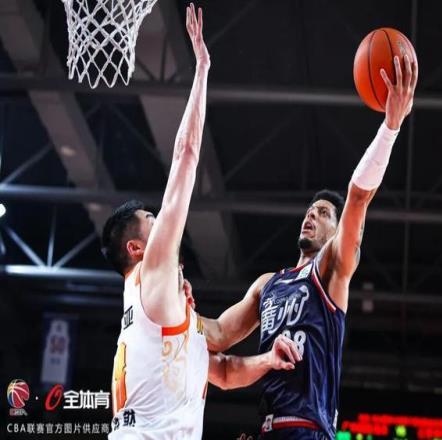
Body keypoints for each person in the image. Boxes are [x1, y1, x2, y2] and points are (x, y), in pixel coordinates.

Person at [101, 5, 301, 440]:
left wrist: (268, 358)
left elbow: (224, 368)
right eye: (151, 219)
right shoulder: (151, 273)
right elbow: (186, 155)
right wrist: (202, 70)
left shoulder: (164, 313)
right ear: (136, 248)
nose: (161, 221)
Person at [203, 54, 418, 439]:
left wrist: (390, 127)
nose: (311, 216)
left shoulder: (331, 270)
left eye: (322, 213)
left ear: (336, 230)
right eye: (309, 211)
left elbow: (358, 197)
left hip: (309, 428)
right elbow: (217, 334)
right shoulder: (267, 284)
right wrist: (169, 315)